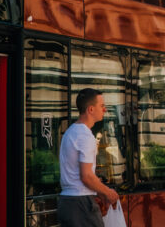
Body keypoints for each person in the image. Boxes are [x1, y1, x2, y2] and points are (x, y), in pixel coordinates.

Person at [58, 88, 120, 227]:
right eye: (102, 106)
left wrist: (100, 192)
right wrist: (108, 192)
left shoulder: (70, 132)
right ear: (91, 109)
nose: (104, 110)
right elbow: (86, 176)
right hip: (81, 205)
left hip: (68, 203)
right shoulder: (85, 136)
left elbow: (77, 174)